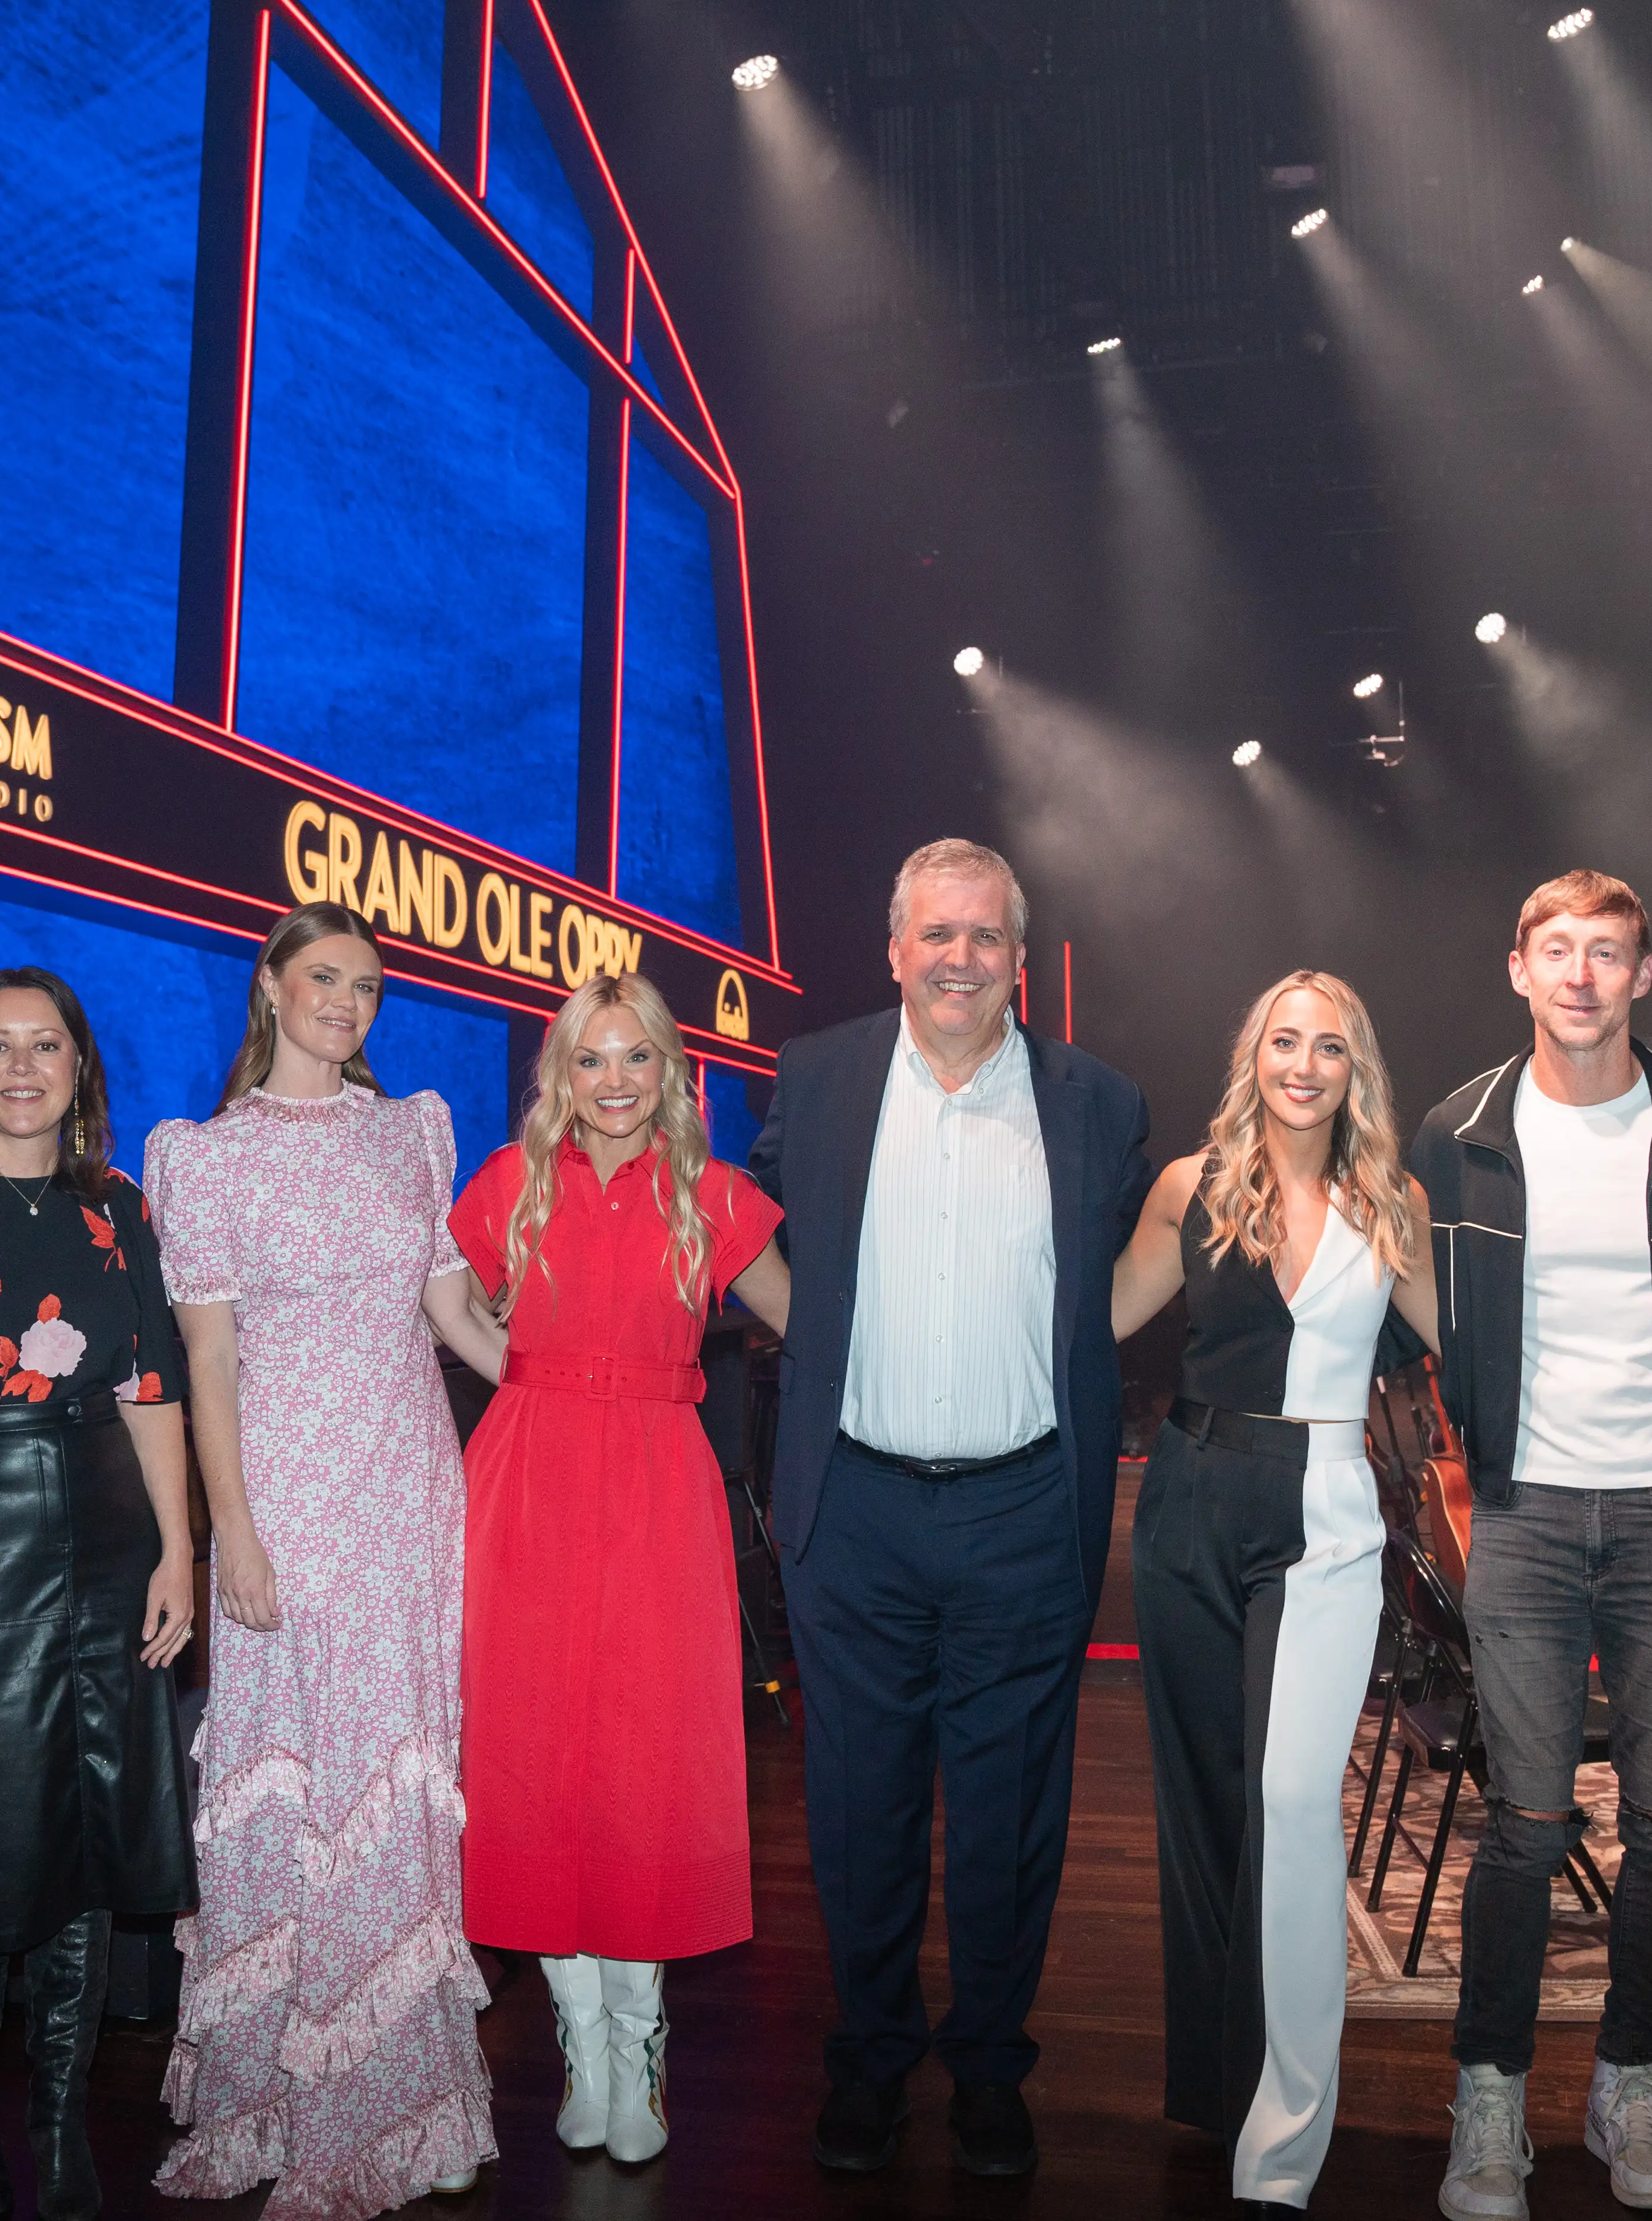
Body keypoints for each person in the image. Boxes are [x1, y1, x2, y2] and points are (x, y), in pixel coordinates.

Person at [748, 837, 1153, 2181]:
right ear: (894, 947)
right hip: (854, 1513)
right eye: (937, 933)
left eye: (985, 937)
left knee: (1009, 1814)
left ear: (1019, 959)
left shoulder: (1098, 1103)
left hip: (1025, 1511)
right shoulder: (813, 1078)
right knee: (859, 1811)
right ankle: (867, 2059)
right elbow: (734, 1229)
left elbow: (1131, 1287)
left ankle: (989, 2065)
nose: (959, 958)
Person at [141, 905, 509, 2221]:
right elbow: (209, 1361)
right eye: (323, 979)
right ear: (271, 986)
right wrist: (227, 1524)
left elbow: (453, 1308)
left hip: (411, 1495)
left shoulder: (414, 1127)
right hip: (286, 1507)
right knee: (296, 1781)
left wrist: (579, 1382)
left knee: (403, 1774)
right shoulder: (202, 1156)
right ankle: (281, 2104)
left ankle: (416, 2099)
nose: (346, 1002)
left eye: (366, 984)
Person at [1407, 870, 1652, 2221]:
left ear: (1643, 974)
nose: (1581, 974)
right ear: (1518, 968)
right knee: (1527, 1819)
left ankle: (1630, 2075)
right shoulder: (1459, 1129)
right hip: (1531, 1513)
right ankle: (1489, 2086)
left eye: (1607, 952)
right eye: (1557, 949)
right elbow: (1395, 1281)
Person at [445, 973, 793, 2167]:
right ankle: (580, 2043)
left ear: (668, 1071)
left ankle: (639, 2042)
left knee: (643, 1766)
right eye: (589, 1059)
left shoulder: (714, 1193)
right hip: (528, 1486)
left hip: (659, 1488)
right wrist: (519, 1375)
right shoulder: (507, 1185)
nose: (612, 1081)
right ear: (561, 1074)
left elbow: (817, 1319)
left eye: (634, 1057)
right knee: (534, 1764)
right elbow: (434, 1293)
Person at [1109, 971, 1439, 2214]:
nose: (1305, 1064)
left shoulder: (1391, 1201)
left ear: (1358, 1069)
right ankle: (1215, 2078)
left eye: (1331, 1047)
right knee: (1202, 1804)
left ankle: (1287, 2136)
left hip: (1328, 1515)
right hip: (1191, 1497)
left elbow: (1481, 1337)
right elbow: (1087, 1324)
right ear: (1254, 1054)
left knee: (1295, 1801)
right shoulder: (1192, 1189)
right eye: (1285, 1040)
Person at [0, 968, 196, 2221]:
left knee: (90, 1831)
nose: (22, 1066)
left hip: (112, 1536)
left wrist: (179, 1550)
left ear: (81, 1068)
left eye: (46, 1046)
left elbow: (151, 1382)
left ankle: (61, 2110)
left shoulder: (120, 1204)